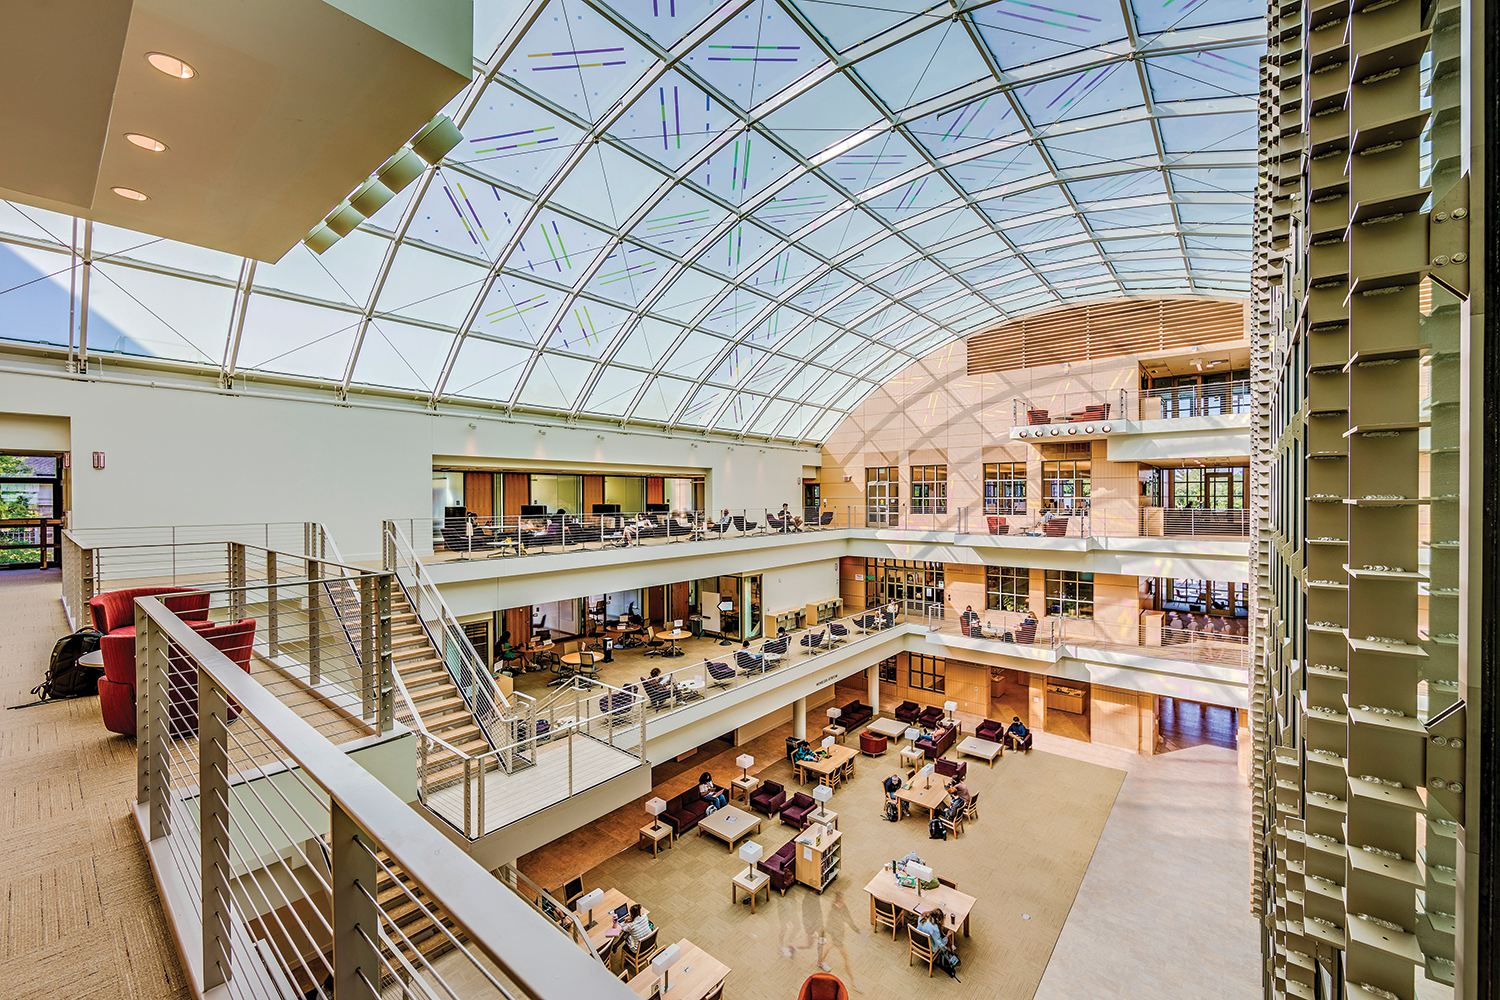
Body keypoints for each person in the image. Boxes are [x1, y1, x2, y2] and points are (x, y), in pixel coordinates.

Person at [817, 890, 863, 991]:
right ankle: (853, 981)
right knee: (846, 957)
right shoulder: (833, 911)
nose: (842, 903)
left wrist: (855, 929)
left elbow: (848, 919)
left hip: (840, 934)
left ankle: (820, 960)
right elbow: (829, 924)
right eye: (841, 901)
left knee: (830, 946)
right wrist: (832, 936)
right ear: (837, 901)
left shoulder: (843, 907)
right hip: (836, 936)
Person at [916, 907, 960, 981]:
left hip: (918, 941)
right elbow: (940, 944)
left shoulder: (922, 917)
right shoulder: (934, 928)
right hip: (929, 947)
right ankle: (950, 956)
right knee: (945, 942)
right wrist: (947, 936)